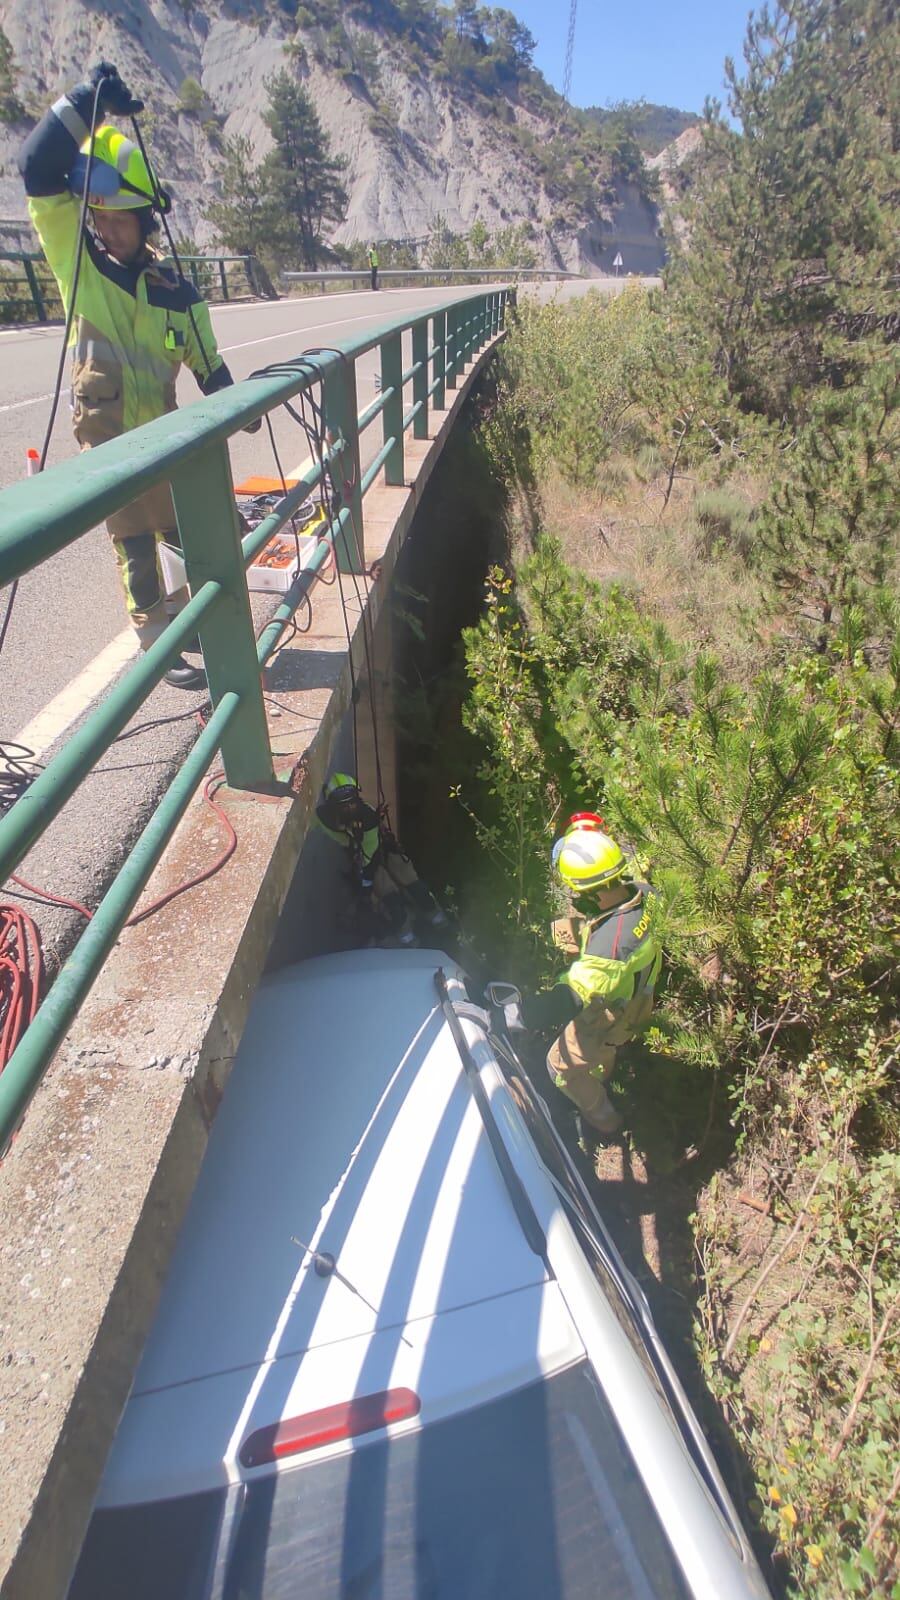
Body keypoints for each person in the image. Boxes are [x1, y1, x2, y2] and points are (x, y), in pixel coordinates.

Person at [18, 61, 247, 689]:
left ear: (147, 220)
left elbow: (209, 366)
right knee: (136, 543)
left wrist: (239, 404)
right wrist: (85, 101)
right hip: (112, 445)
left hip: (163, 442)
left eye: (118, 219)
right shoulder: (83, 271)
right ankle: (154, 641)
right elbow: (37, 168)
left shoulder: (177, 293)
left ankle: (185, 622)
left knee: (177, 534)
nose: (105, 228)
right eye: (99, 217)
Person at [518, 815, 662, 1137]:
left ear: (593, 894)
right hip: (638, 986)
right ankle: (601, 1061)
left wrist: (518, 1014)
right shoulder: (641, 889)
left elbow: (571, 996)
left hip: (616, 1011)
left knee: (559, 1067)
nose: (572, 897)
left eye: (575, 891)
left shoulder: (609, 948)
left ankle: (605, 1119)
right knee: (562, 929)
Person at [317, 772, 447, 946]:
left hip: (380, 850)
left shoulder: (368, 817)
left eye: (352, 803)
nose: (350, 809)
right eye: (343, 805)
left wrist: (366, 885)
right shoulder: (323, 818)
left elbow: (370, 856)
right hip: (362, 854)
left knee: (415, 886)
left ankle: (440, 923)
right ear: (332, 806)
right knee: (392, 901)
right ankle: (409, 940)